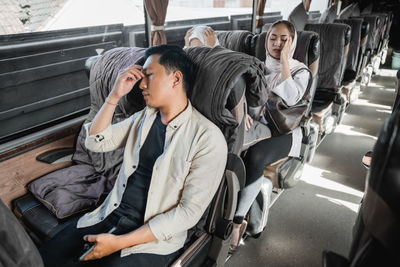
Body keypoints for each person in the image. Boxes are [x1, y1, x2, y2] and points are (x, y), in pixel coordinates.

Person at [39, 45, 228, 267]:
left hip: (153, 237)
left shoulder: (207, 138)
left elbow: (187, 213)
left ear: (176, 78)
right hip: (111, 214)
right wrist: (114, 95)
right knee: (43, 258)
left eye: (149, 75)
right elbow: (95, 142)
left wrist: (118, 243)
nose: (142, 84)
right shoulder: (144, 118)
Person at [230, 20, 310, 251]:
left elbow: (292, 98)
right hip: (257, 126)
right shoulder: (257, 65)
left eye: (284, 39)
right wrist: (243, 112)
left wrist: (284, 59)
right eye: (273, 38)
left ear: (292, 42)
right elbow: (243, 94)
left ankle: (236, 222)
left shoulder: (299, 70)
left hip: (285, 131)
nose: (277, 43)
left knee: (255, 157)